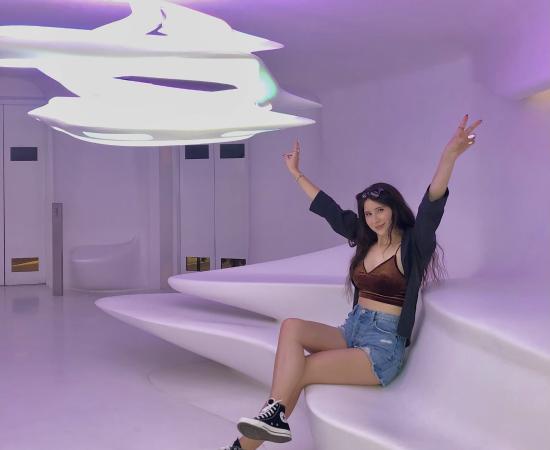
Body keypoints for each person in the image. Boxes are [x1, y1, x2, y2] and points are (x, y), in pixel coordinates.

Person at [220, 115, 482, 450]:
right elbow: (330, 211)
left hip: (382, 349)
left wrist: (449, 155)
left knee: (302, 368)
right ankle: (273, 416)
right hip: (353, 330)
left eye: (380, 211)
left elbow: (431, 206)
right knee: (291, 327)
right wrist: (296, 173)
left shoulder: (413, 246)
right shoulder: (365, 238)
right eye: (368, 213)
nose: (374, 219)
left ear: (393, 209)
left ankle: (246, 442)